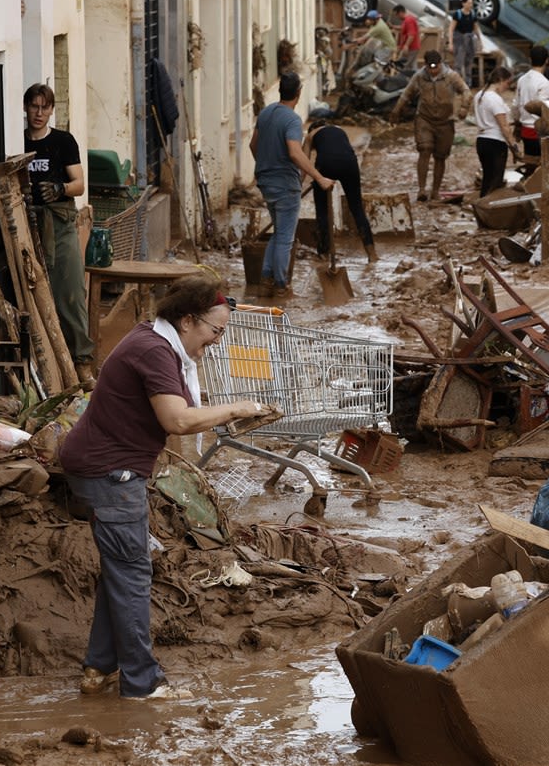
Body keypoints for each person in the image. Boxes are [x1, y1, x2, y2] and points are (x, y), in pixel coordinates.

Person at [58, 274, 276, 700]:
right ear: (188, 320)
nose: (217, 340)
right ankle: (143, 684)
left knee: (121, 571)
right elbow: (176, 420)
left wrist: (229, 411)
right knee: (133, 574)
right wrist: (236, 407)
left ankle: (99, 668)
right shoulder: (155, 352)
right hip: (110, 473)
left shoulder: (154, 341)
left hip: (103, 465)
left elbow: (178, 404)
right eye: (216, 331)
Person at [23, 83, 95, 385]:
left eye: (45, 107)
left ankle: (81, 364)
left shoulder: (63, 142)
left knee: (71, 294)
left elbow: (79, 183)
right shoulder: (18, 142)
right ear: (26, 108)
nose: (39, 113)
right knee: (37, 296)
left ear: (52, 110)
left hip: (61, 224)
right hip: (28, 228)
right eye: (34, 107)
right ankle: (46, 368)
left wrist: (59, 188)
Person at [248, 72, 335, 299]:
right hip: (285, 185)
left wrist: (266, 165)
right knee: (286, 238)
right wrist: (319, 177)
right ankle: (281, 286)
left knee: (279, 233)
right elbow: (295, 152)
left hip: (265, 182)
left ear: (281, 91)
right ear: (298, 93)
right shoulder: (292, 120)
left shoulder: (266, 113)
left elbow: (253, 145)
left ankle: (265, 282)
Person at [390, 50, 471, 203]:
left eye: (436, 67)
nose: (433, 70)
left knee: (440, 156)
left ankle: (435, 191)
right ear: (425, 66)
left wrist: (464, 108)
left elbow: (466, 91)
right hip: (424, 119)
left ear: (441, 64)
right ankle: (421, 189)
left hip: (445, 121)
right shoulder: (419, 77)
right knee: (424, 149)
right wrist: (396, 111)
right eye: (430, 67)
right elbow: (406, 94)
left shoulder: (451, 76)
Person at [304, 118, 377, 262]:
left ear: (312, 128)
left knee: (322, 210)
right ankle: (372, 254)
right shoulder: (339, 129)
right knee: (357, 208)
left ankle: (324, 253)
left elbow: (304, 162)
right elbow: (341, 151)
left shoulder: (310, 135)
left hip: (326, 163)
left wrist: (300, 185)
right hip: (350, 163)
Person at [474, 66, 519, 199]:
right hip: (495, 143)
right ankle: (491, 212)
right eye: (507, 83)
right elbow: (504, 126)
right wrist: (514, 147)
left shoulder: (479, 95)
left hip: (482, 141)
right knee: (495, 182)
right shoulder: (494, 99)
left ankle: (482, 208)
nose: (507, 86)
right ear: (500, 80)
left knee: (487, 179)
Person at [514, 45, 549, 159]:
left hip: (524, 129)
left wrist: (517, 124)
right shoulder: (544, 83)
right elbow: (542, 111)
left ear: (530, 59)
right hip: (537, 131)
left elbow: (515, 104)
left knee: (530, 163)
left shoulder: (522, 79)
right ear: (547, 60)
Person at [448, 0, 481, 85]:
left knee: (469, 62)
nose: (470, 5)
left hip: (469, 39)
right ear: (463, 3)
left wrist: (479, 41)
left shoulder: (473, 14)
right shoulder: (458, 14)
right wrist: (450, 43)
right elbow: (451, 29)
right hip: (460, 39)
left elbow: (476, 28)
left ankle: (468, 83)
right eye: (469, 3)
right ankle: (457, 84)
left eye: (471, 3)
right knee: (459, 62)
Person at [392, 5, 421, 70]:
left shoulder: (409, 20)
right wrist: (393, 26)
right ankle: (416, 77)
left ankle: (410, 78)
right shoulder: (407, 20)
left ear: (401, 12)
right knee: (412, 65)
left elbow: (412, 34)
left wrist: (406, 45)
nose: (397, 17)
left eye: (397, 15)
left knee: (406, 65)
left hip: (412, 47)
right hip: (413, 47)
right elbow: (403, 28)